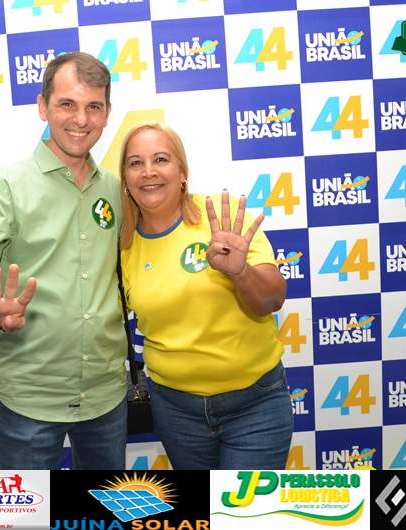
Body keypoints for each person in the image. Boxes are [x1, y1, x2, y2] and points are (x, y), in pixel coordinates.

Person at [0, 52, 126, 470]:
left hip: (106, 397)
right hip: (29, 401)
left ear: (107, 113)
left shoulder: (117, 189)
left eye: (93, 106)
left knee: (107, 506)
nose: (81, 119)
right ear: (43, 106)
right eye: (67, 104)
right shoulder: (4, 187)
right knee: (29, 506)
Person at [118, 122, 292, 469]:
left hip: (254, 404)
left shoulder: (222, 219)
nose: (149, 171)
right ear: (125, 178)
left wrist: (240, 271)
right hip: (176, 412)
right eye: (136, 163)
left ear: (182, 172)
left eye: (161, 159)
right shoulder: (120, 244)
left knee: (243, 505)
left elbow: (271, 300)